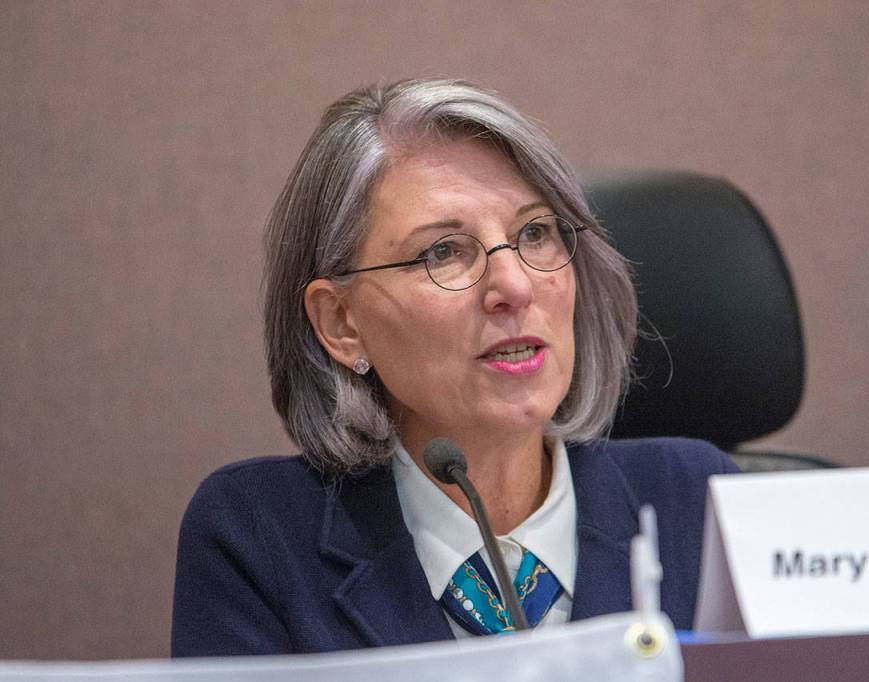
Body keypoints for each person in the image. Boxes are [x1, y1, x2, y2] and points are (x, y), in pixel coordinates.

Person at [171, 78, 737, 657]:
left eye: (535, 234)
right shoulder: (260, 539)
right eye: (443, 251)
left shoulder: (700, 502)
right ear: (341, 322)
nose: (514, 287)